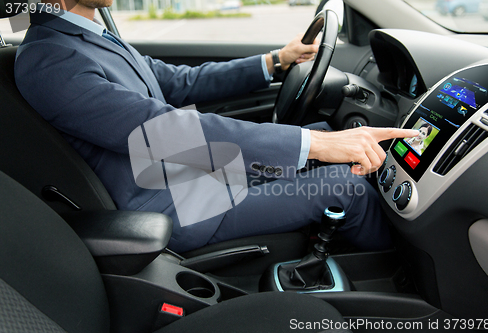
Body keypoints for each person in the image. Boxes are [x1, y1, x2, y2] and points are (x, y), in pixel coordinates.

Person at [14, 0, 418, 253]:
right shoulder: (51, 59)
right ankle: (401, 281)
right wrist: (315, 145)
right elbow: (160, 129)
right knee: (344, 186)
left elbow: (178, 82)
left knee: (317, 135)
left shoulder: (88, 38)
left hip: (189, 177)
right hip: (173, 203)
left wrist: (277, 60)